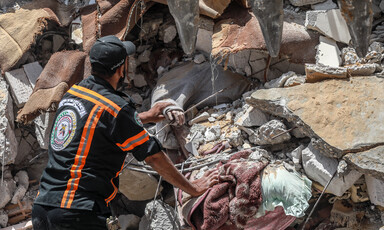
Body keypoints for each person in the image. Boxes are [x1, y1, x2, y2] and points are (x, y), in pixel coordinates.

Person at [32, 35, 219, 230]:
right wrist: (193, 188)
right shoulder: (117, 108)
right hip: (76, 213)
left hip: (42, 208)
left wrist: (145, 117)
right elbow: (153, 157)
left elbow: (97, 125)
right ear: (122, 68)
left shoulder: (73, 95)